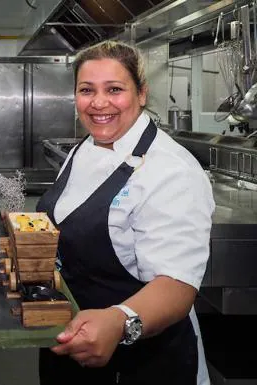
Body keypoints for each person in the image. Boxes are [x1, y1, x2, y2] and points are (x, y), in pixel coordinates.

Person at [36, 40, 214, 385]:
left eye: (114, 89)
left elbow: (176, 286)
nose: (99, 103)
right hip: (71, 339)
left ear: (142, 93)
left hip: (143, 358)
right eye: (87, 90)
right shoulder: (84, 147)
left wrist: (119, 321)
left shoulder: (171, 170)